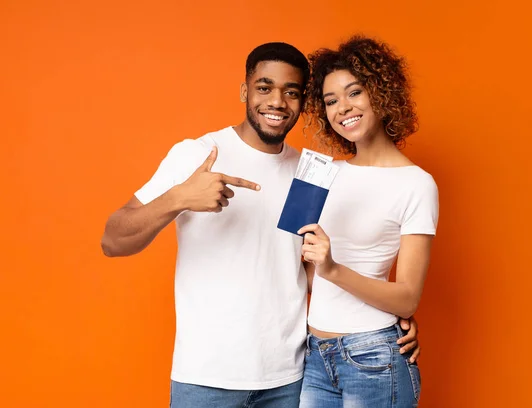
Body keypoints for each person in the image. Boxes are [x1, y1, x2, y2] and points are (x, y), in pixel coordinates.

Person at [101, 42, 420, 408]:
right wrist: (178, 198)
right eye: (264, 87)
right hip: (207, 379)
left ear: (303, 102)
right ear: (244, 91)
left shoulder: (311, 173)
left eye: (292, 92)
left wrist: (382, 325)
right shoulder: (197, 154)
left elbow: (309, 269)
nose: (277, 102)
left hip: (291, 379)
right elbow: (113, 240)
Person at [298, 36, 439, 407]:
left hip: (374, 355)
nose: (343, 108)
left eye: (354, 92)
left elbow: (407, 297)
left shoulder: (417, 184)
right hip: (313, 355)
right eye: (331, 101)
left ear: (380, 92)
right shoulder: (320, 173)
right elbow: (299, 271)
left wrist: (331, 268)